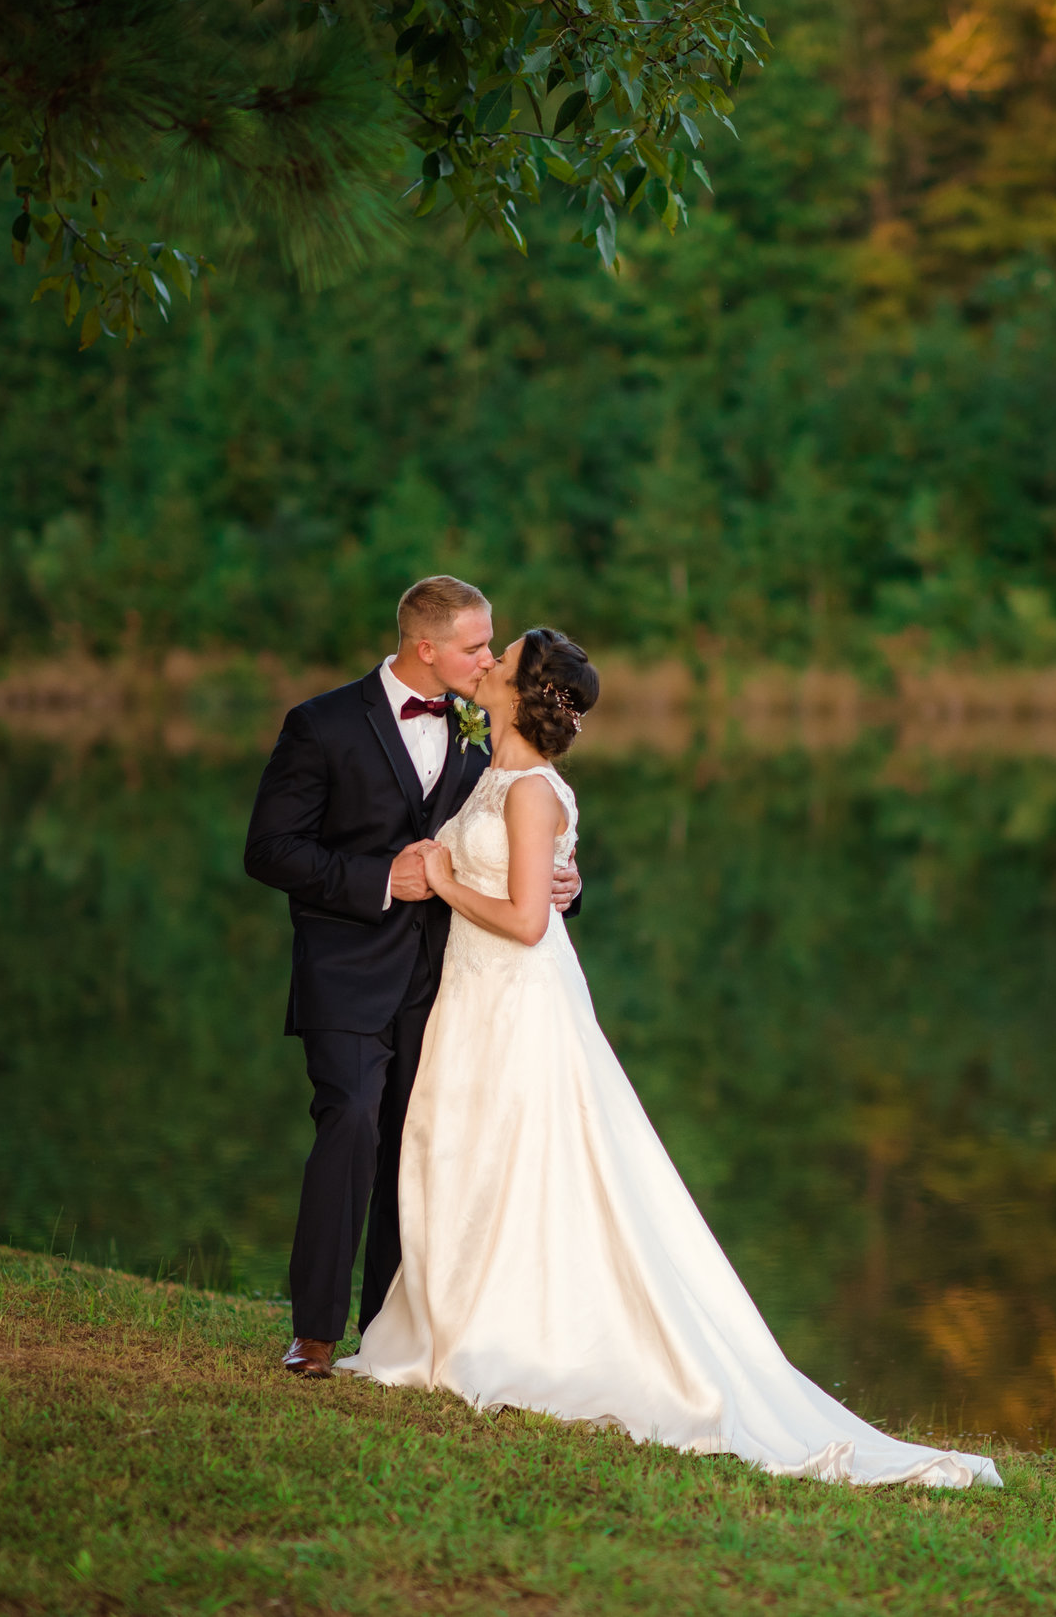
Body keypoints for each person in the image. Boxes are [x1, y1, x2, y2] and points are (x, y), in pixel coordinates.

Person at [334, 626, 1001, 1490]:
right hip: (474, 996)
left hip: (516, 996)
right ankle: (456, 1323)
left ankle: (515, 1336)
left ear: (524, 690)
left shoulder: (532, 792)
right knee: (466, 1152)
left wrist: (445, 878)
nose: (488, 664)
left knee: (526, 1159)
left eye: (502, 659)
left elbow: (530, 919)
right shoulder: (494, 775)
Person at [242, 576, 582, 1379]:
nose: (489, 657)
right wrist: (376, 880)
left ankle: (390, 1332)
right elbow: (270, 850)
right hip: (348, 972)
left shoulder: (484, 729)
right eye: (475, 645)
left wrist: (568, 884)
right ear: (425, 647)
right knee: (352, 1121)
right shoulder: (321, 725)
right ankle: (315, 1332)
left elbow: (527, 828)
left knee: (416, 1147)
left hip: (452, 982)